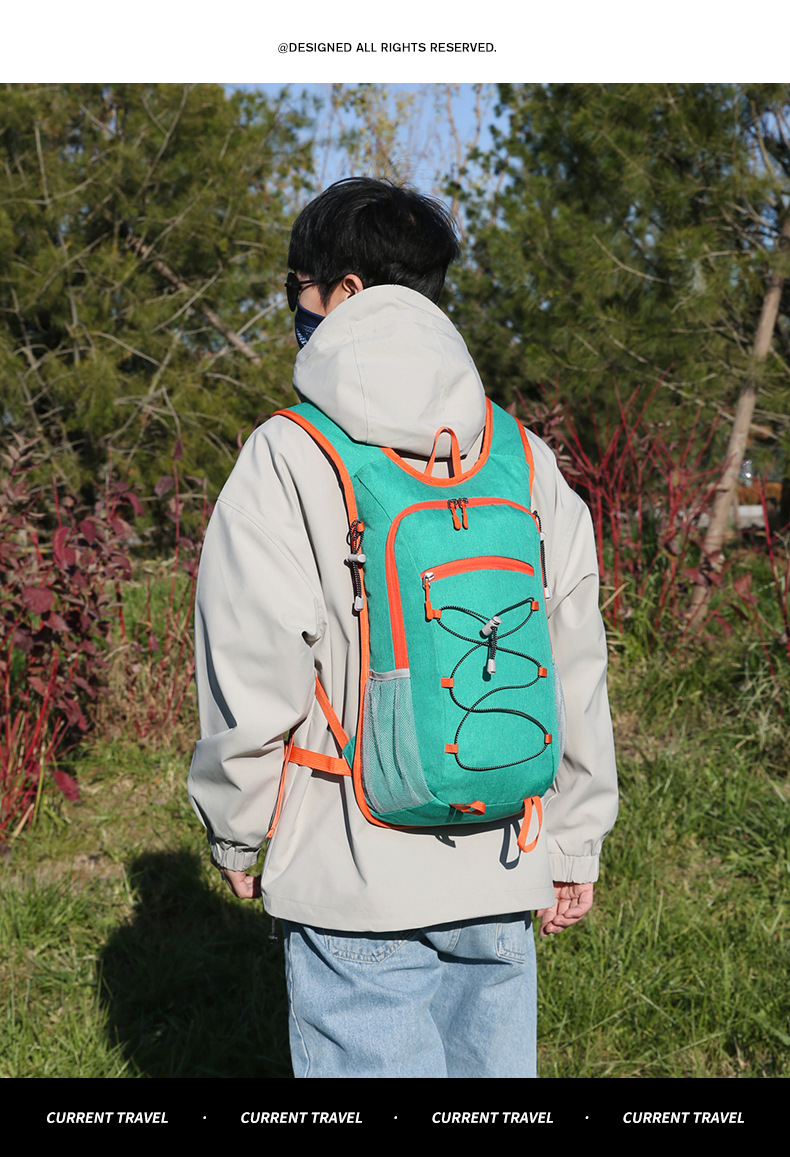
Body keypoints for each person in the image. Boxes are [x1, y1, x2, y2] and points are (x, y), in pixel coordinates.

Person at [187, 176, 618, 1079]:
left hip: (350, 866)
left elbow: (253, 663)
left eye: (296, 287)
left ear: (343, 291)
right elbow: (573, 656)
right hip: (501, 845)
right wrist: (574, 839)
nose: (293, 306)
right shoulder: (520, 455)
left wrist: (239, 827)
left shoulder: (288, 453)